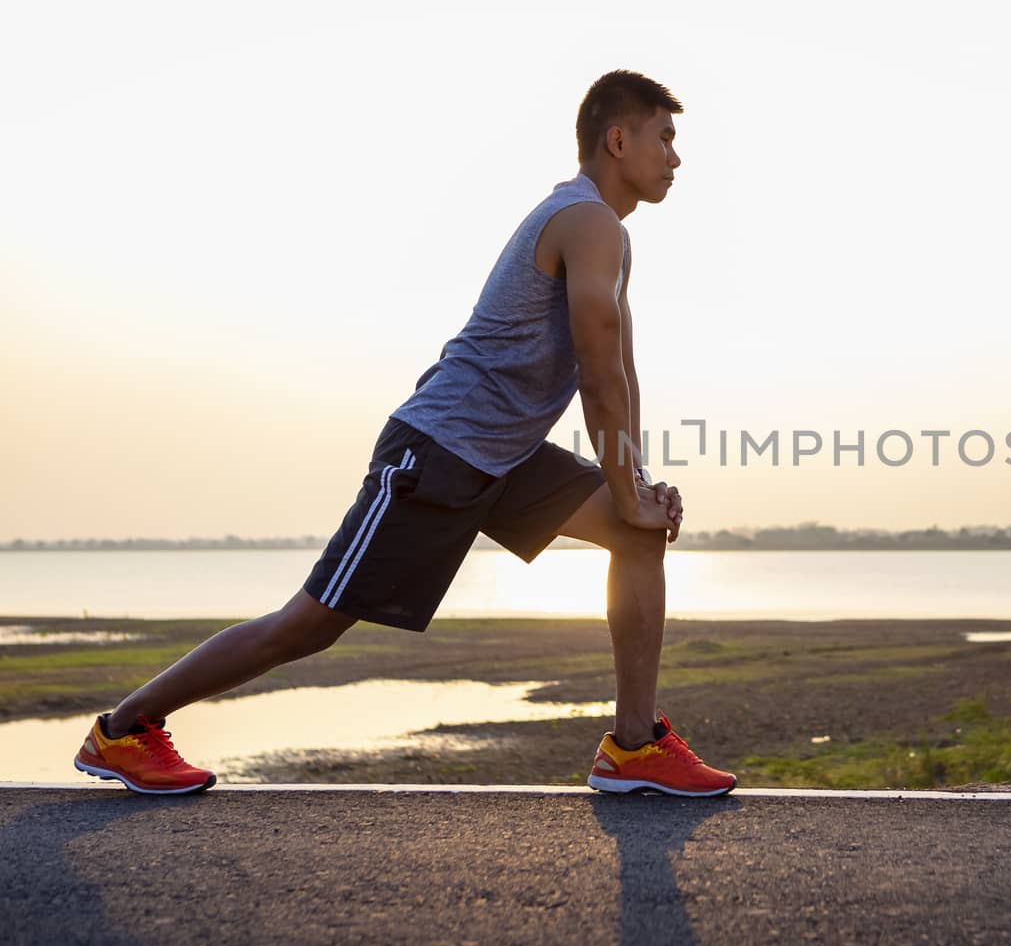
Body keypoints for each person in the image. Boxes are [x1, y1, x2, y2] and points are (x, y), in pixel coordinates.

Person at [72, 71, 736, 798]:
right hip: (440, 451)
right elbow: (597, 373)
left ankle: (634, 747)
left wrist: (635, 489)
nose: (675, 157)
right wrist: (628, 489)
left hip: (505, 458)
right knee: (308, 626)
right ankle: (125, 729)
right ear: (618, 139)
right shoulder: (587, 221)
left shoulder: (609, 235)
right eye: (665, 137)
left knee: (639, 533)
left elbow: (621, 371)